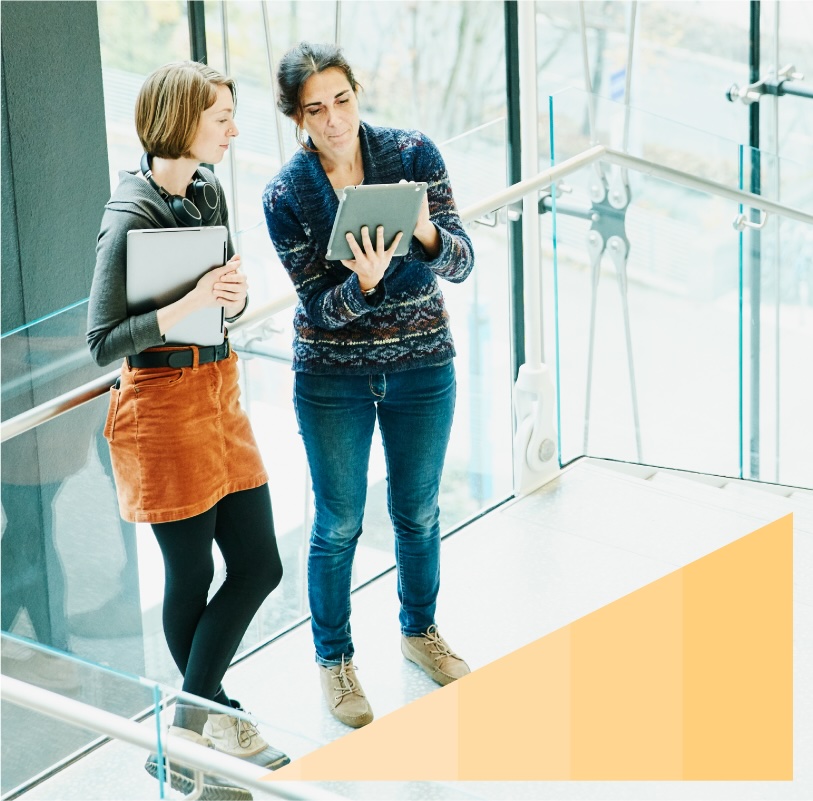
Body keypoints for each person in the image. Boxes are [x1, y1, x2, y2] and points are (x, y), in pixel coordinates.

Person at [87, 61, 288, 797]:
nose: (233, 131)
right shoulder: (128, 215)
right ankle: (210, 720)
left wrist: (230, 299)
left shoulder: (206, 190)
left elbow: (221, 301)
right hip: (162, 405)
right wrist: (192, 302)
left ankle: (186, 731)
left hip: (218, 390)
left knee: (260, 565)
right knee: (193, 574)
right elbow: (102, 342)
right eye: (221, 119)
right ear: (181, 121)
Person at [263, 42, 474, 729]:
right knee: (338, 523)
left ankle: (420, 631)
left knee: (418, 511)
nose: (333, 120)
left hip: (422, 365)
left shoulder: (412, 153)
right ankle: (335, 660)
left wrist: (427, 234)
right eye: (315, 110)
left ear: (357, 93)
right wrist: (366, 283)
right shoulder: (285, 194)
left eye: (342, 100)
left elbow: (462, 261)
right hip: (332, 379)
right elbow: (317, 308)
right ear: (297, 117)